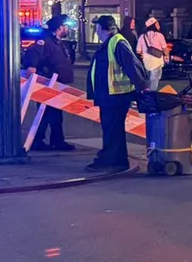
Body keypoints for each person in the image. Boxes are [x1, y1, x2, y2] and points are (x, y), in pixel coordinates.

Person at [86, 15, 149, 172]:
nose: (96, 31)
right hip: (110, 95)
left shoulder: (117, 42)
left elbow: (132, 65)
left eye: (97, 28)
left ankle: (111, 161)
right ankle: (116, 160)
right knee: (112, 129)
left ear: (101, 29)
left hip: (116, 95)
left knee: (112, 130)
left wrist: (142, 86)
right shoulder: (110, 43)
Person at [32, 15, 76, 151]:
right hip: (48, 84)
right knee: (46, 114)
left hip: (57, 84)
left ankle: (55, 140)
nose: (68, 29)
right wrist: (31, 67)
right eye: (66, 26)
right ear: (60, 27)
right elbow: (33, 56)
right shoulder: (45, 42)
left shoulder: (58, 42)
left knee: (54, 114)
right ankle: (40, 141)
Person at [136, 17, 168, 91]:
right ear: (153, 25)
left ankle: (146, 95)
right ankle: (150, 96)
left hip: (146, 63)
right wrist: (167, 56)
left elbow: (138, 51)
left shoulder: (142, 37)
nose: (159, 26)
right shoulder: (159, 35)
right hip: (157, 63)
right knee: (154, 85)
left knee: (148, 83)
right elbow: (165, 49)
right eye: (157, 24)